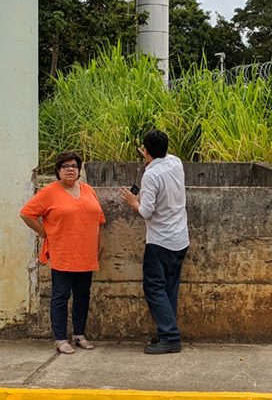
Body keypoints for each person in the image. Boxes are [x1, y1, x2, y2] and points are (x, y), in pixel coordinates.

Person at [20, 151, 106, 354]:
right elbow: (26, 213)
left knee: (83, 295)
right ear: (58, 171)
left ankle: (79, 334)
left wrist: (98, 246)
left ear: (79, 170)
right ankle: (60, 339)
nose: (70, 169)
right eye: (65, 166)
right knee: (60, 296)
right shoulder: (50, 192)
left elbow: (98, 219)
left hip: (86, 253)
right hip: (63, 252)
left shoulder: (88, 190)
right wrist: (45, 232)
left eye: (74, 166)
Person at [120, 129, 189, 355]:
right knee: (169, 287)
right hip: (180, 238)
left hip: (160, 240)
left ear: (145, 150)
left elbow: (147, 211)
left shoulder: (151, 175)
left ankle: (170, 336)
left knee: (154, 287)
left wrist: (132, 201)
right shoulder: (176, 163)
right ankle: (166, 331)